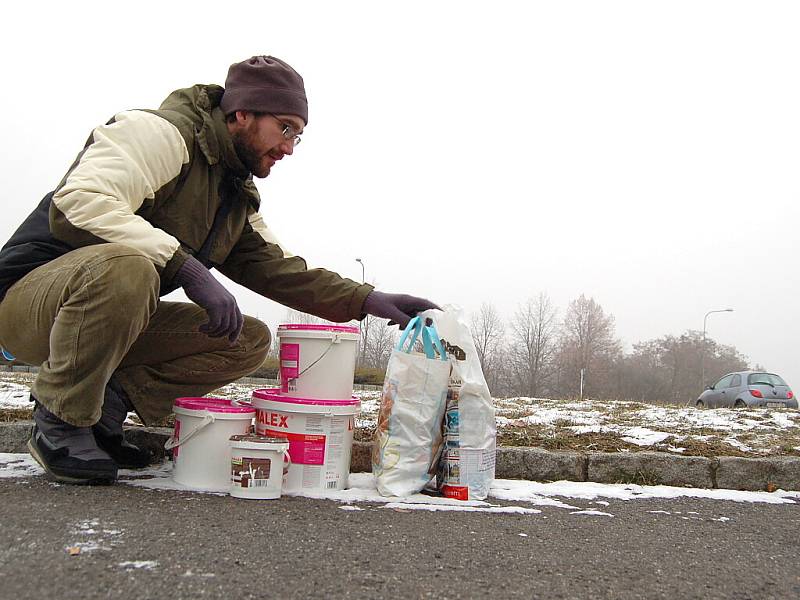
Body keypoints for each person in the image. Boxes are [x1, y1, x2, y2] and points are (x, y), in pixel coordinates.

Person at [0, 55, 437, 485]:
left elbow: (277, 268)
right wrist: (188, 269)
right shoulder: (159, 133)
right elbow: (79, 201)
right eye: (285, 128)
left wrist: (366, 299)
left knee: (244, 339)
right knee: (130, 266)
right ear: (242, 113)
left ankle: (102, 416)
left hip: (105, 318)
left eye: (297, 136)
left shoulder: (234, 192)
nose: (288, 147)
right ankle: (60, 419)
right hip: (28, 307)